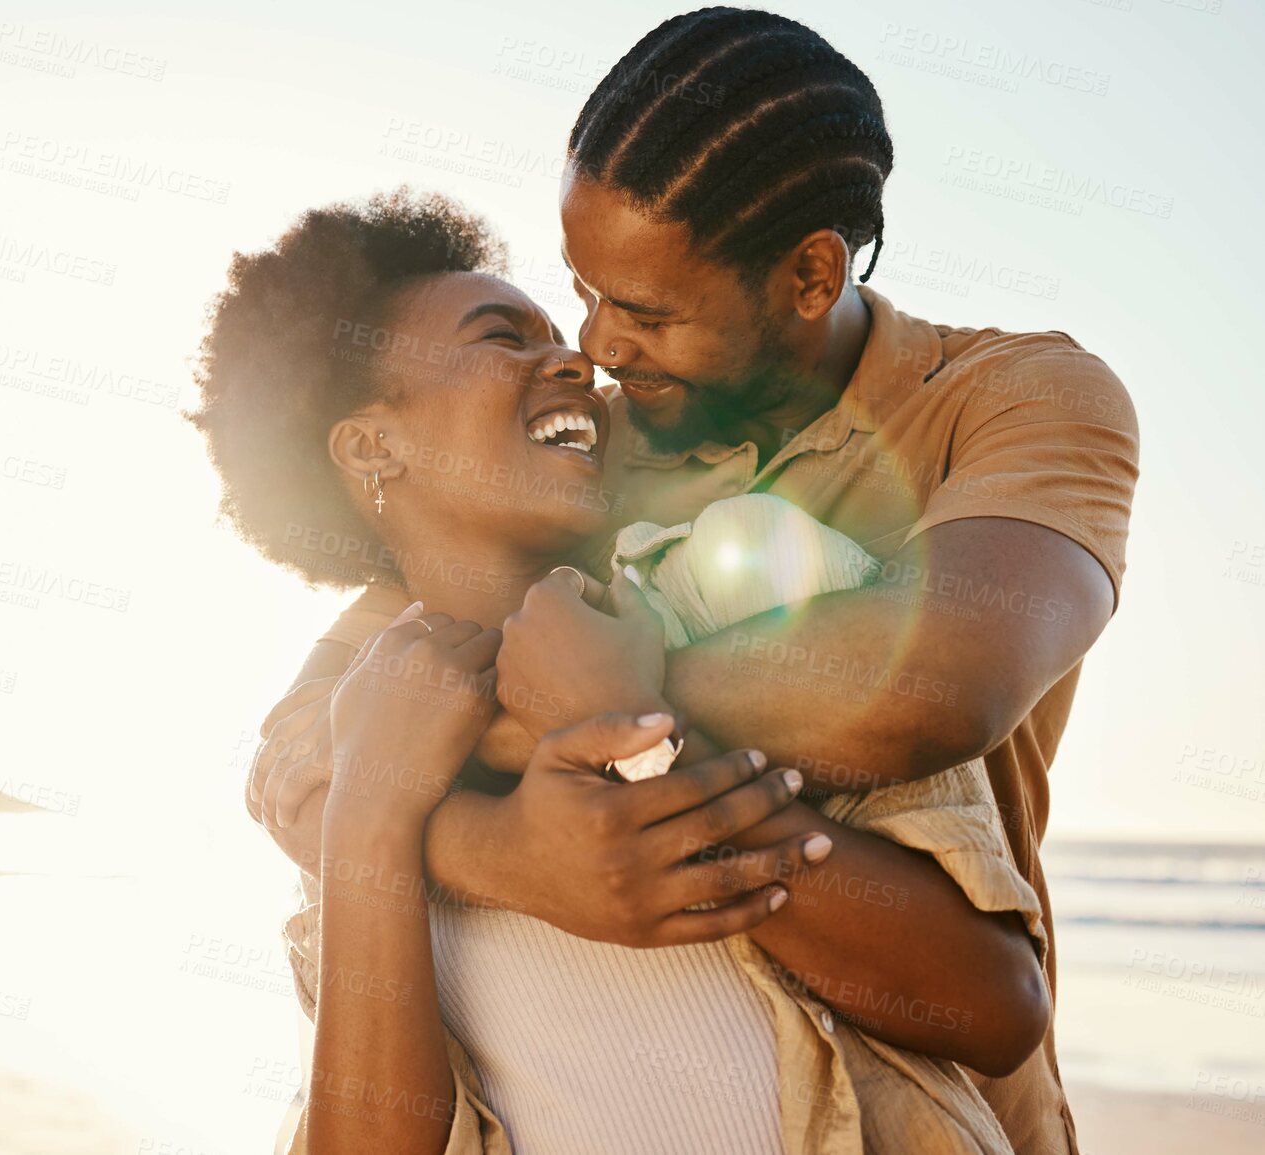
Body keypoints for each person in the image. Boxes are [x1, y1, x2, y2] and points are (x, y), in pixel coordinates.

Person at [249, 12, 1140, 1153]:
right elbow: (304, 755)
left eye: (650, 311)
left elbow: (936, 684)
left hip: (927, 1084)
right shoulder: (579, 462)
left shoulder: (1007, 398)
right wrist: (520, 856)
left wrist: (614, 709)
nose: (599, 345)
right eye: (586, 289)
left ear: (813, 272)